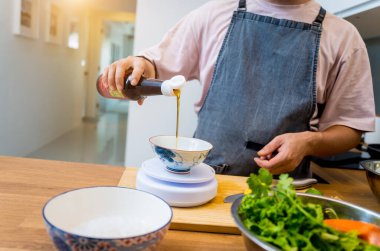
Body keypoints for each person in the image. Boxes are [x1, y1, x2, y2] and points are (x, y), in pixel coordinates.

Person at [101, 0, 375, 178]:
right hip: (206, 182)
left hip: (286, 193)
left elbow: (350, 128)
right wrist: (139, 64)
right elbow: (154, 65)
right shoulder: (213, 15)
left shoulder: (343, 37)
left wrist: (308, 143)